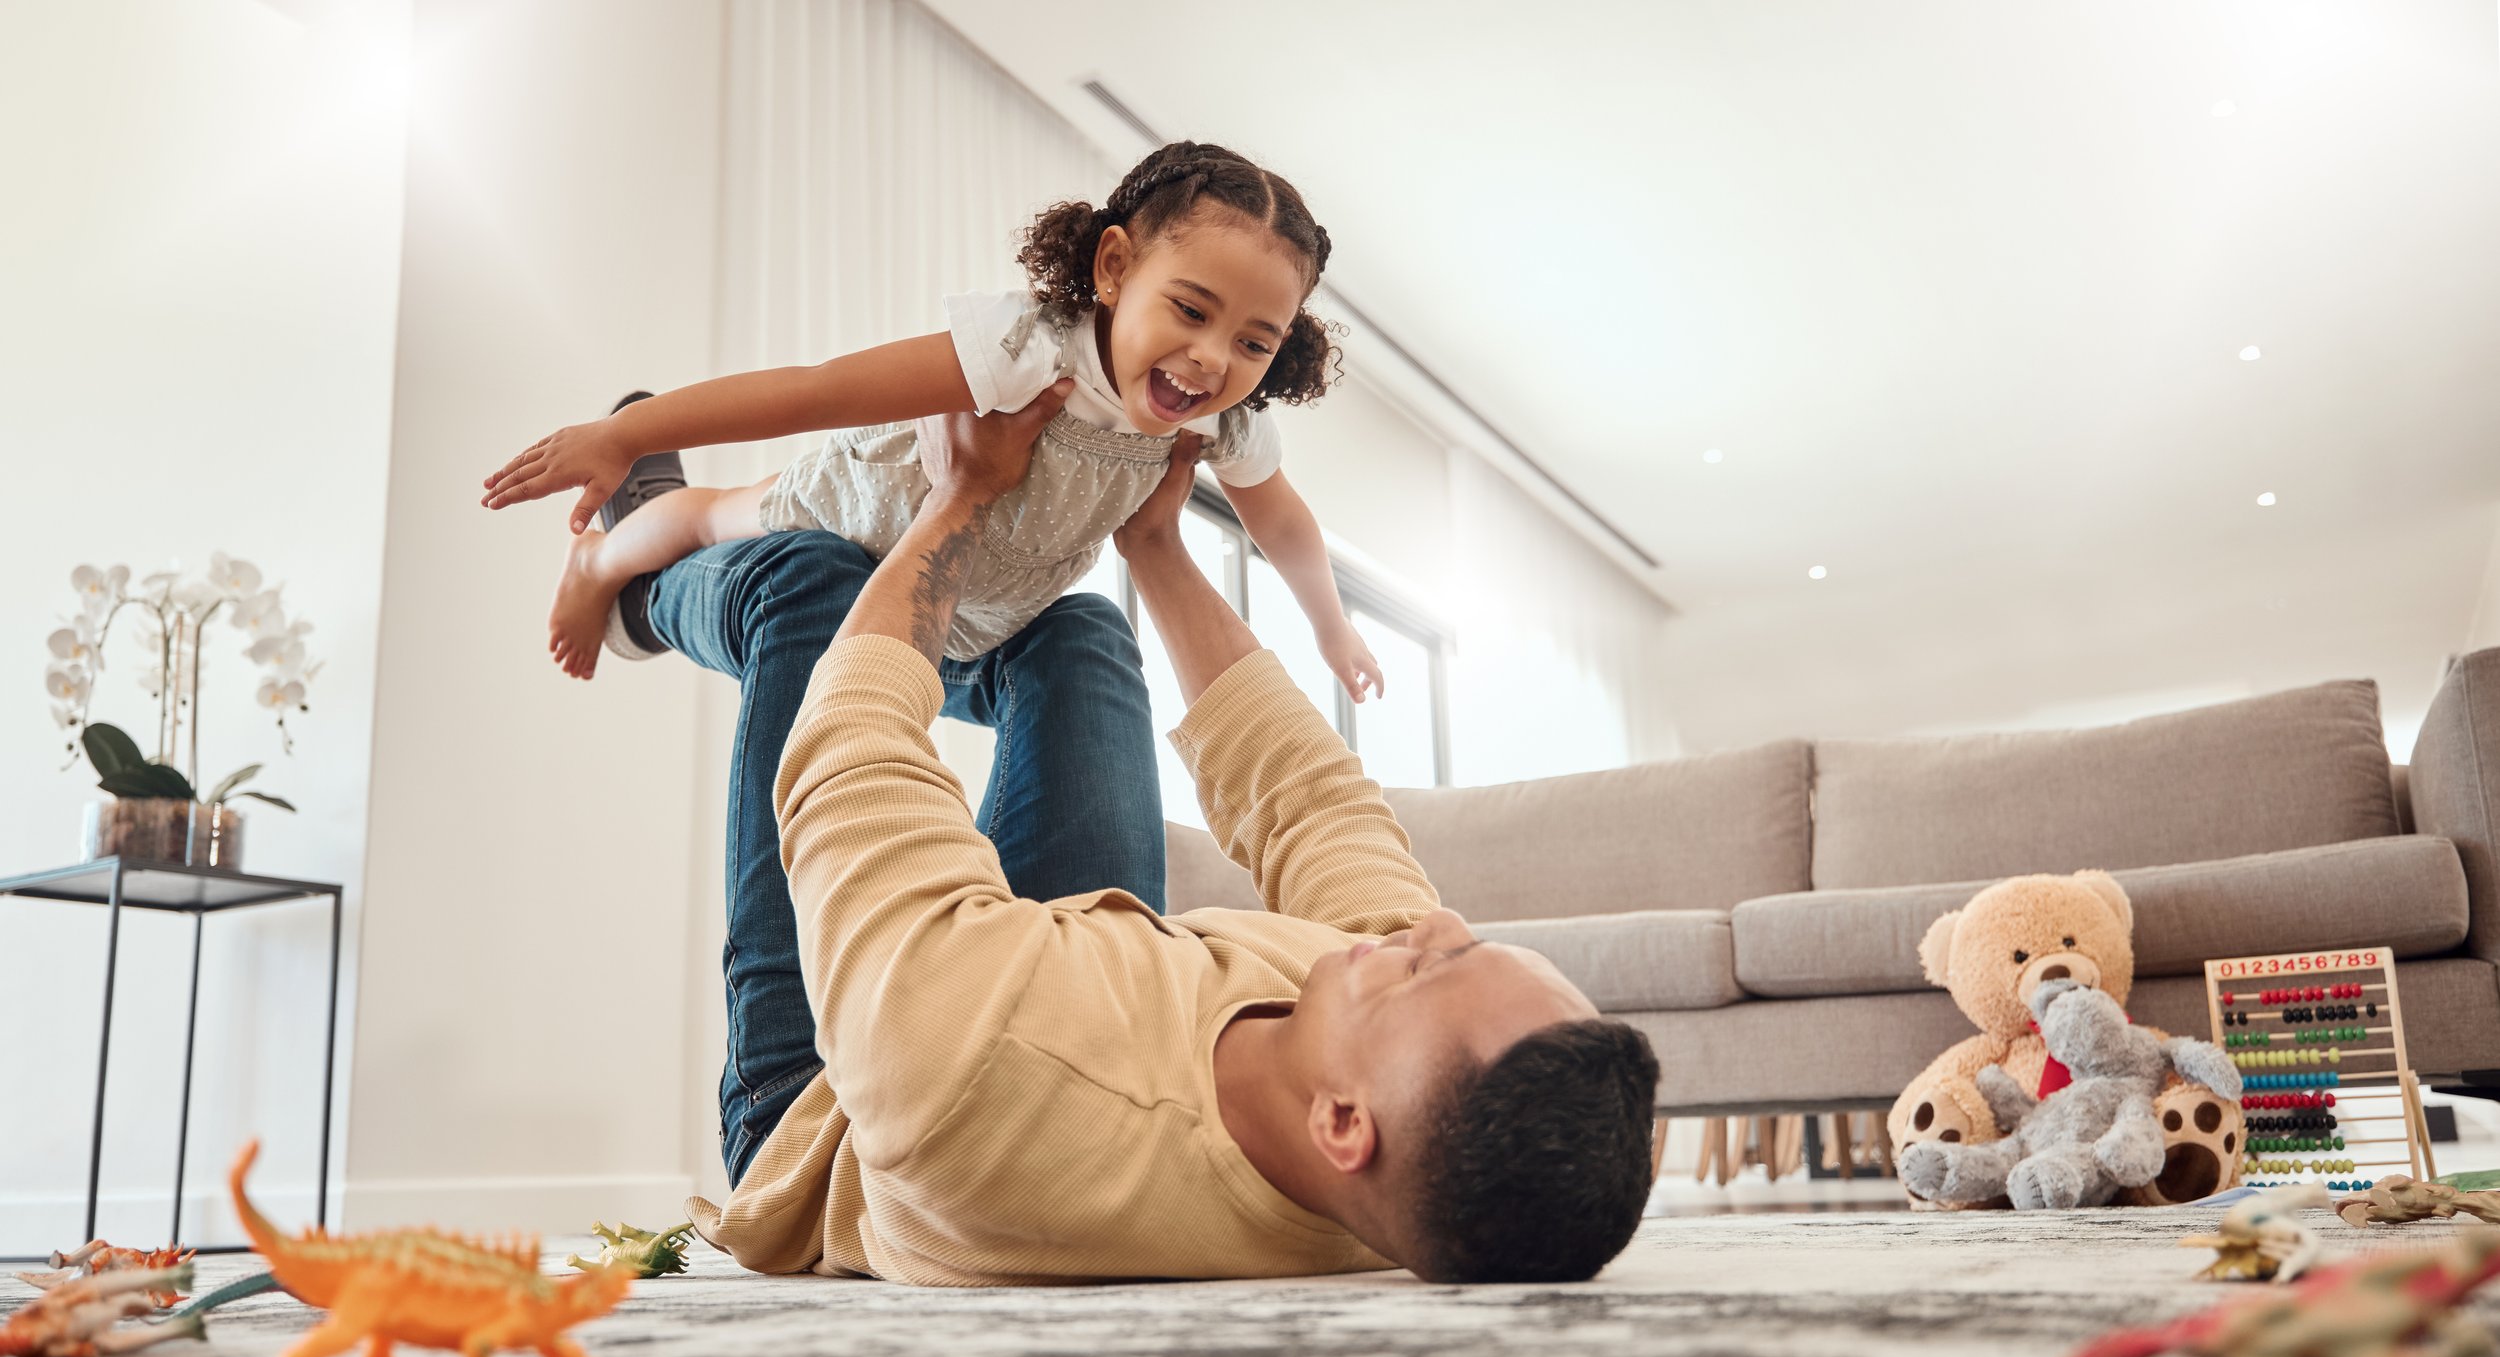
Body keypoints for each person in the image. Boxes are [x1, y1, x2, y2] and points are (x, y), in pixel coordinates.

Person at [682, 388, 1661, 1285]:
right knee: (1081, 636)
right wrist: (1156, 541)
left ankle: (636, 581)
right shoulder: (1380, 1103)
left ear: (1342, 1123)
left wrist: (961, 496)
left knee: (811, 585)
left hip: (829, 1106)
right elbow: (1313, 803)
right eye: (1466, 944)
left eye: (1424, 970)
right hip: (1045, 982)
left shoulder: (967, 1074)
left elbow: (848, 754)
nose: (1434, 926)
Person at [478, 141, 1384, 706]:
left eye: (1254, 342)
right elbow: (818, 389)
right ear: (1114, 267)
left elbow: (1284, 524)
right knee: (717, 514)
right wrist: (626, 437)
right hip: (863, 513)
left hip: (969, 599)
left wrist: (1330, 626)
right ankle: (603, 558)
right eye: (1190, 310)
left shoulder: (1221, 425)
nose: (1214, 359)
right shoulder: (1030, 347)